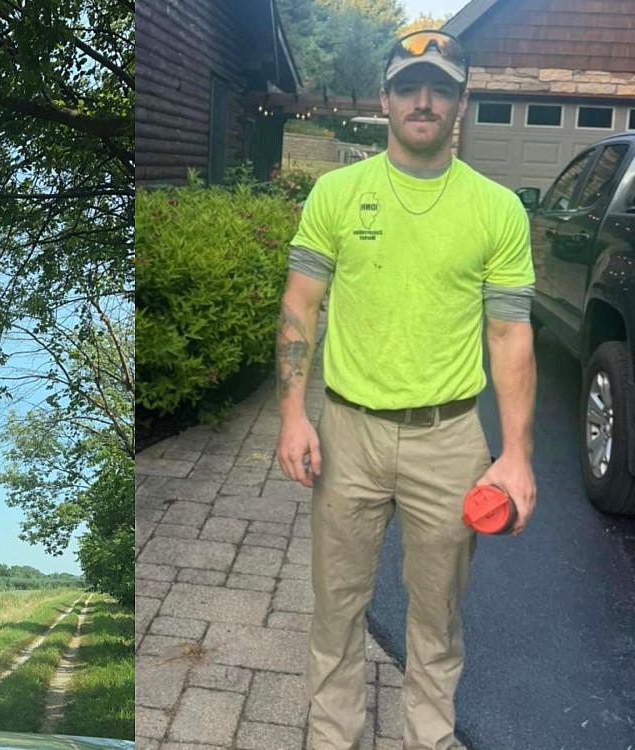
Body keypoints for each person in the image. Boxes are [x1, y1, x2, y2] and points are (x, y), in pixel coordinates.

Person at [274, 30, 537, 750]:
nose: (424, 101)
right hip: (348, 434)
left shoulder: (497, 210)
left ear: (460, 102)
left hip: (450, 440)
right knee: (336, 610)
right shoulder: (336, 193)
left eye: (441, 88)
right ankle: (334, 740)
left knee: (437, 618)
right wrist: (294, 415)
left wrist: (515, 455)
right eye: (410, 86)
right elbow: (301, 304)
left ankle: (429, 739)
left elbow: (511, 335)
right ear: (385, 98)